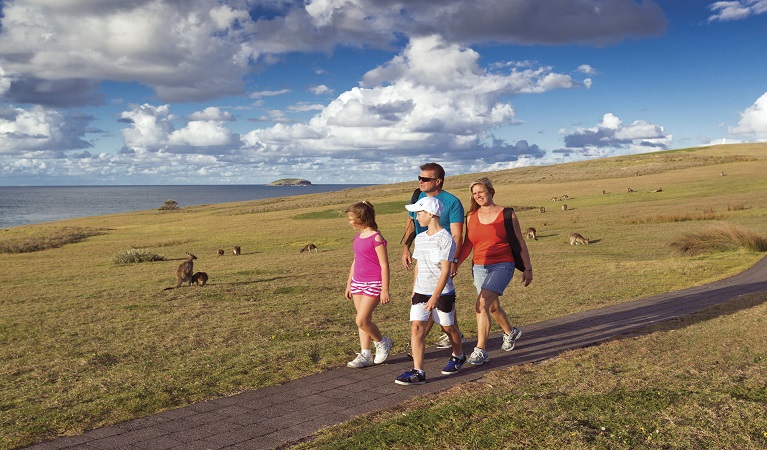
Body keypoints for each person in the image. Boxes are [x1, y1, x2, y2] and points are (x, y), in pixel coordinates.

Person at [455, 177, 533, 366]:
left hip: (503, 264)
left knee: (481, 304)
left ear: (491, 191)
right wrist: (455, 263)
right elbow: (468, 244)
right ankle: (510, 331)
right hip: (479, 266)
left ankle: (480, 350)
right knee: (491, 307)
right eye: (474, 193)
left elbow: (520, 242)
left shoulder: (507, 214)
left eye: (481, 191)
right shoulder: (471, 216)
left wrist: (528, 268)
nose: (478, 196)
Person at [395, 196, 465, 385]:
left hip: (442, 293)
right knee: (417, 327)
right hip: (420, 291)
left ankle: (458, 354)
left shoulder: (446, 239)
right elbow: (418, 265)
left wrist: (435, 296)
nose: (416, 218)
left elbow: (445, 272)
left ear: (431, 214)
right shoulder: (420, 237)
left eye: (419, 213)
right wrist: (413, 290)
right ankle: (418, 372)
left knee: (448, 328)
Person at [401, 163, 466, 350]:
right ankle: (426, 338)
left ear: (438, 181)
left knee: (440, 295)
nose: (420, 181)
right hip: (422, 252)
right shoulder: (417, 197)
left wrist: (454, 260)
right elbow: (411, 224)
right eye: (419, 178)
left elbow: (457, 235)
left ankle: (427, 339)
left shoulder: (452, 202)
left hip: (442, 254)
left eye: (425, 179)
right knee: (427, 295)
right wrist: (406, 247)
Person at [344, 201, 393, 368]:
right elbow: (356, 261)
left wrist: (385, 289)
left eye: (352, 219)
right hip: (358, 282)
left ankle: (382, 341)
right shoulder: (358, 237)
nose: (350, 222)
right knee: (362, 320)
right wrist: (349, 283)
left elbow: (384, 265)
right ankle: (365, 354)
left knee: (361, 320)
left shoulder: (376, 238)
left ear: (362, 219)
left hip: (374, 283)